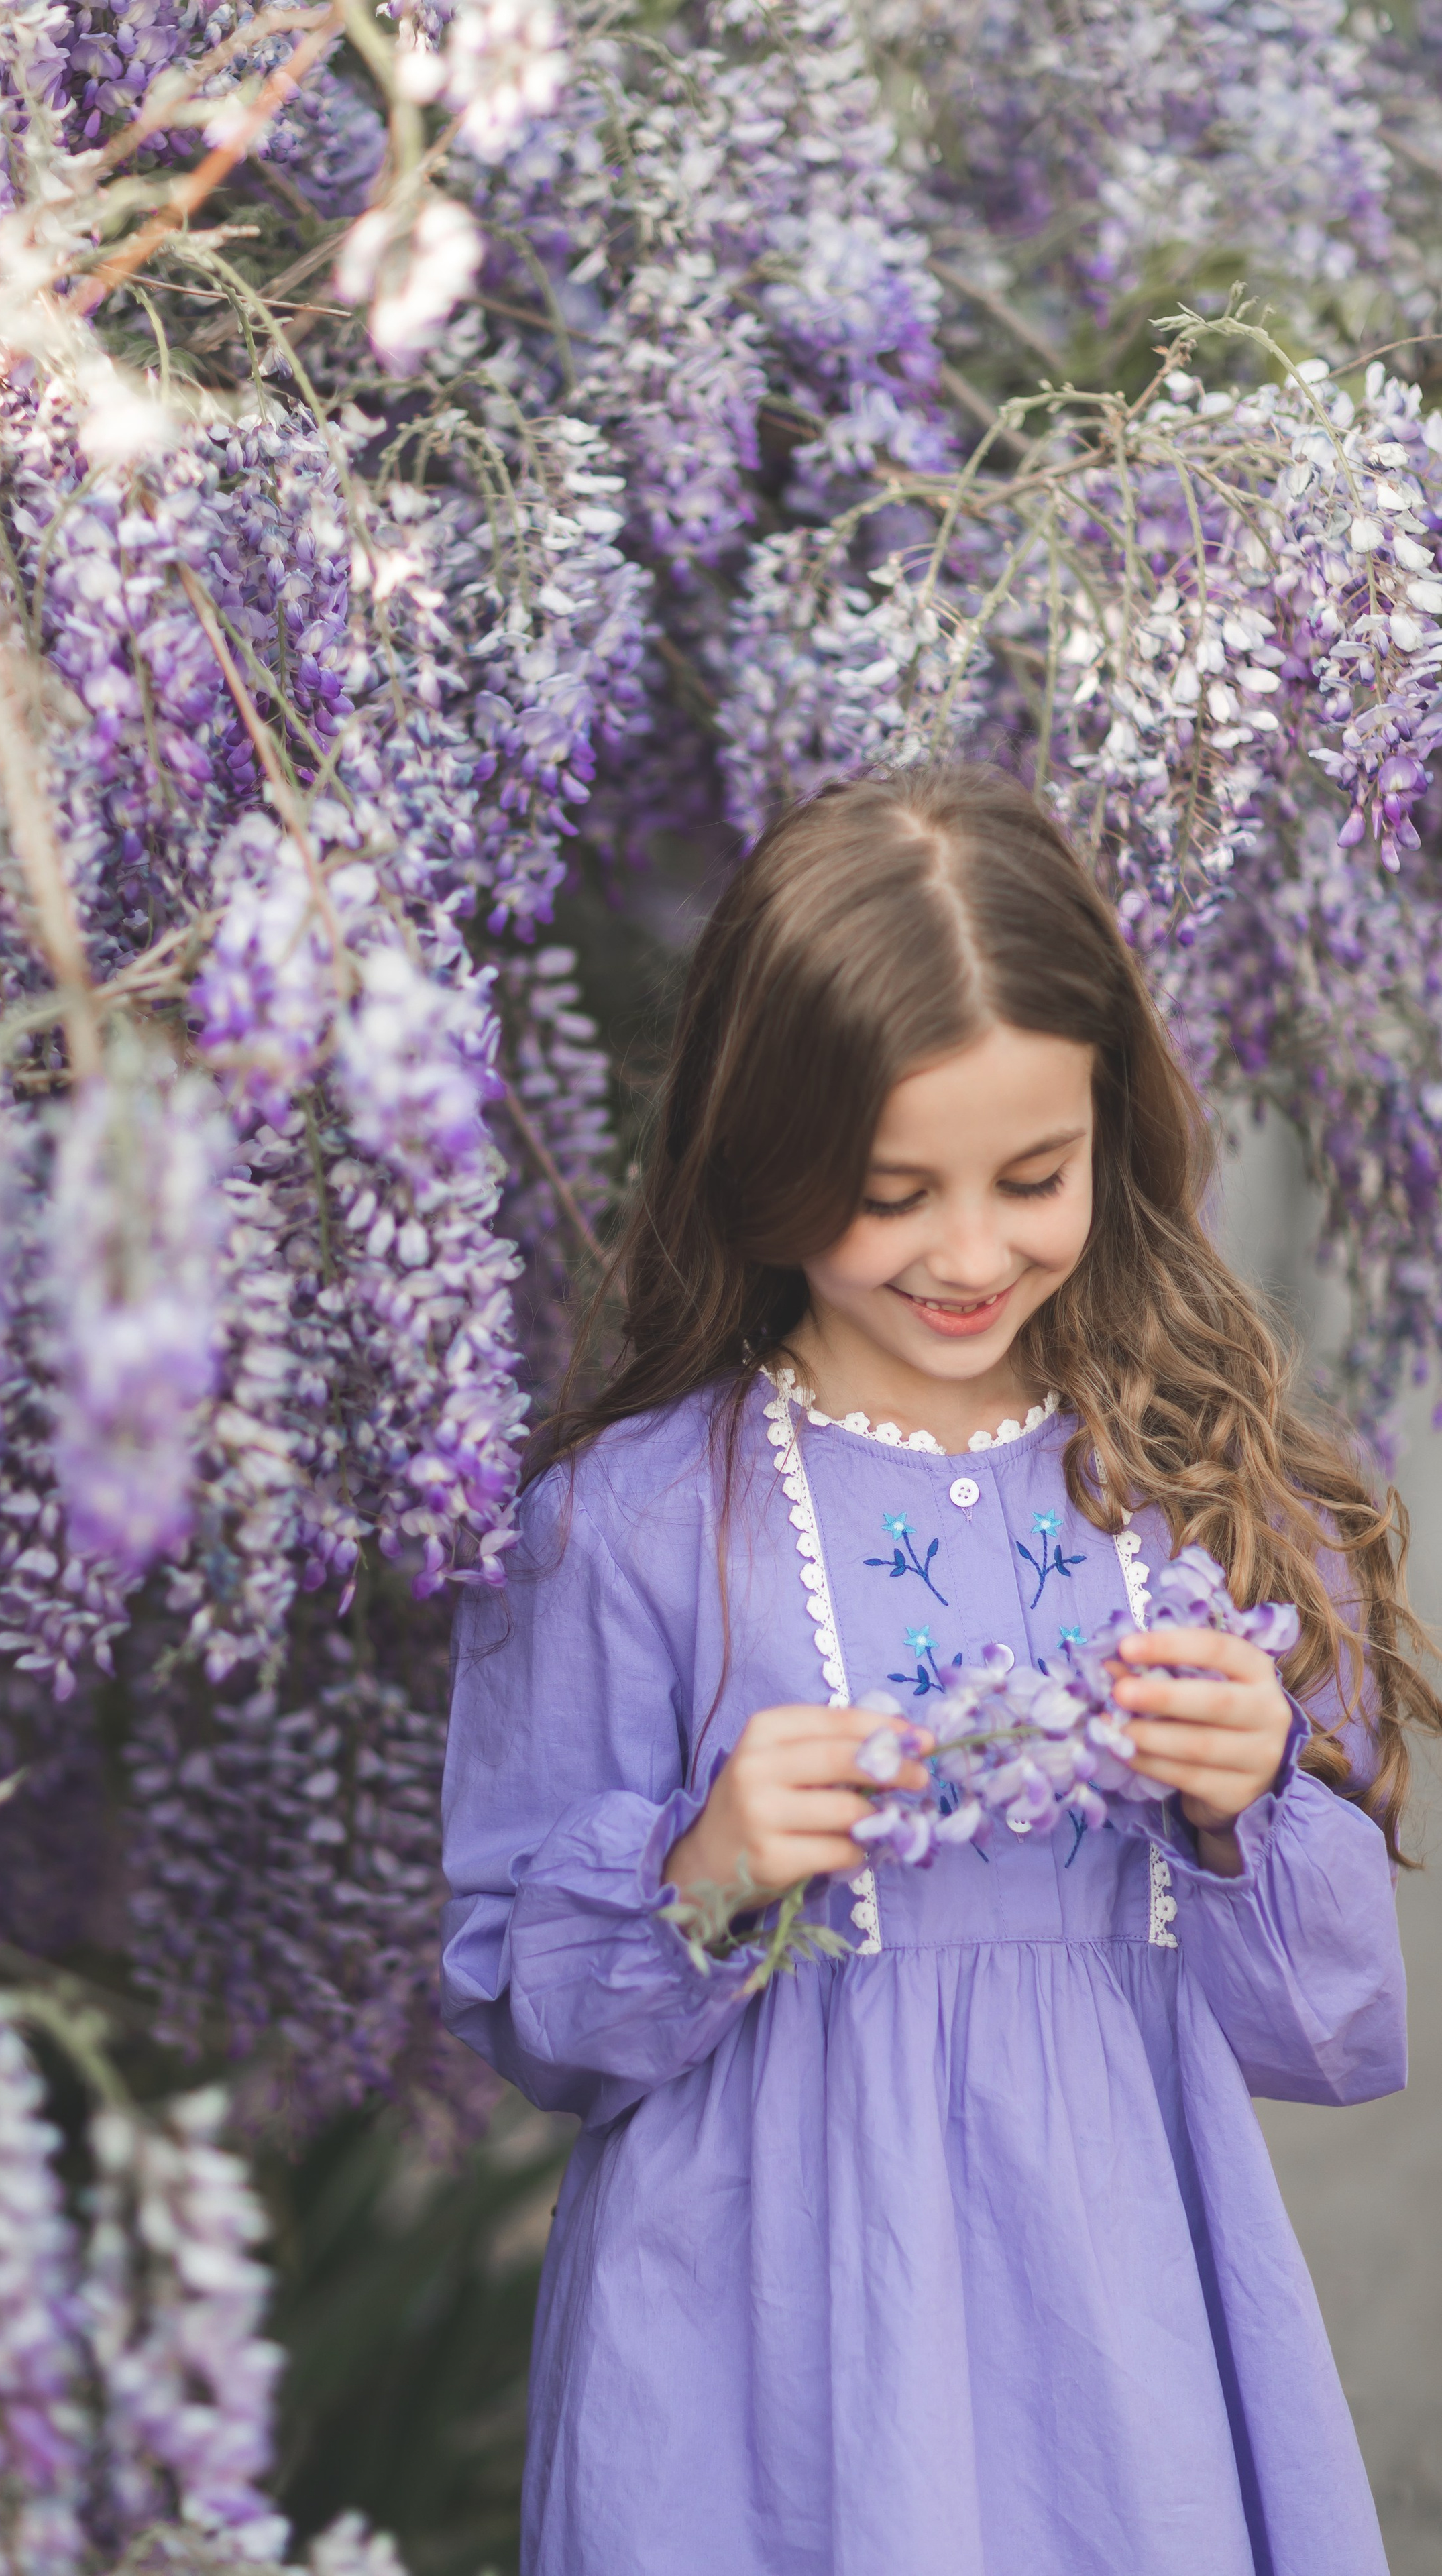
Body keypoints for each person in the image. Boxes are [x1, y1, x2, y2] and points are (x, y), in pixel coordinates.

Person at [439, 767, 1437, 2576]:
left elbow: (1332, 2024)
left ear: (1110, 1135)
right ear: (767, 1160)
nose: (971, 1252)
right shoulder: (637, 1521)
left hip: (1117, 2329)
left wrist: (1247, 1792)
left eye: (1033, 1177)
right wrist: (704, 1866)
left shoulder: (1196, 1488)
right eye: (893, 1193)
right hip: (765, 2332)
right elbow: (528, 2009)